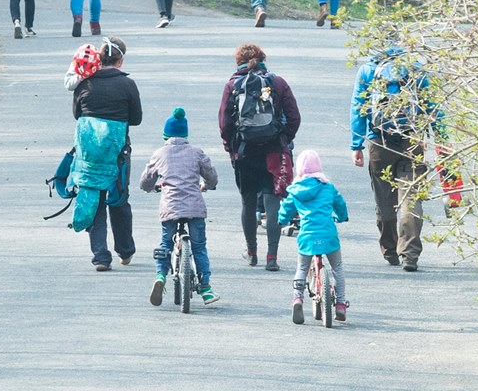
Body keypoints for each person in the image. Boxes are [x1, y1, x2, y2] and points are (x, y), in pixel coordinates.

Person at [350, 43, 448, 272]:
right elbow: (433, 108)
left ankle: (390, 250)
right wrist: (442, 139)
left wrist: (356, 144)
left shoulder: (368, 70)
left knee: (384, 200)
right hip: (412, 141)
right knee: (411, 198)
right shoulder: (416, 70)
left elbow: (358, 106)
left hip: (379, 140)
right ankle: (410, 255)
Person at [218, 43, 301, 271]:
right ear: (263, 59)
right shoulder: (278, 83)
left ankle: (252, 252)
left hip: (244, 153)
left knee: (247, 202)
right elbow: (294, 117)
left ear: (239, 62)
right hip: (274, 151)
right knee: (272, 202)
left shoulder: (232, 85)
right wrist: (284, 139)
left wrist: (231, 147)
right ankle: (271, 257)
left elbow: (225, 123)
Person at [66, 35, 142, 271]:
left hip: (88, 152)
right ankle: (125, 250)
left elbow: (77, 114)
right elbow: (136, 119)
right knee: (118, 198)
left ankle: (100, 255)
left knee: (92, 197)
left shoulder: (84, 83)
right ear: (120, 61)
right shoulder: (128, 85)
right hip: (116, 152)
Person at [140, 107, 220, 306]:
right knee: (199, 247)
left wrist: (152, 187)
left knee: (166, 244)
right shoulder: (196, 152)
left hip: (170, 208)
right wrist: (207, 185)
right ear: (186, 134)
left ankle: (160, 275)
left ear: (165, 135)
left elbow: (146, 181)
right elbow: (211, 175)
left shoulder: (159, 153)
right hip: (194, 208)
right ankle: (206, 287)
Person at [278, 149, 348, 324]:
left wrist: (282, 220)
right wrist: (342, 216)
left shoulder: (295, 191)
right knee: (337, 268)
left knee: (302, 268)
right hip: (328, 234)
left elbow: (285, 209)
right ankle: (340, 303)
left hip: (307, 236)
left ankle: (297, 299)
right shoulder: (328, 187)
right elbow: (340, 204)